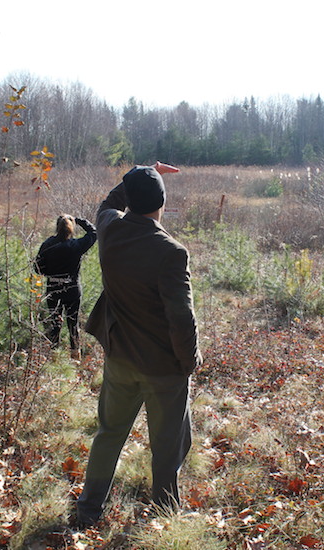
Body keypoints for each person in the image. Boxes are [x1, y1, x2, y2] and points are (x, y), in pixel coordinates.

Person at [75, 162, 202, 527]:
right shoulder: (171, 251)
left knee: (109, 433)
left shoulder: (110, 229)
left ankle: (89, 507)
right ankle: (164, 510)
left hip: (119, 360)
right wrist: (189, 362)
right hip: (163, 368)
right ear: (162, 200)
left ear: (129, 200)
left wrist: (139, 171)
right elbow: (181, 317)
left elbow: (107, 204)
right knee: (167, 445)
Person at [34, 214, 97, 358]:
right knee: (73, 325)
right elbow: (93, 233)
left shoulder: (48, 245)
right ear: (71, 228)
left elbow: (37, 268)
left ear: (57, 227)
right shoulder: (76, 245)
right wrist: (79, 220)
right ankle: (75, 357)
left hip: (53, 290)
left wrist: (50, 273)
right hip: (72, 289)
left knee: (55, 325)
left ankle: (54, 357)